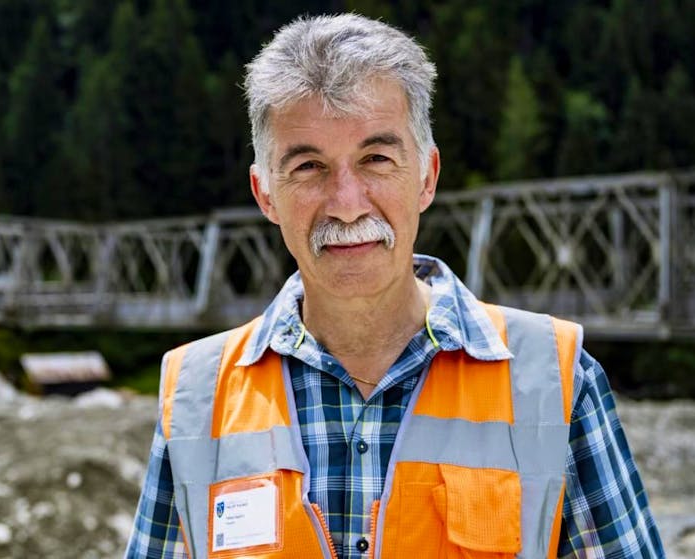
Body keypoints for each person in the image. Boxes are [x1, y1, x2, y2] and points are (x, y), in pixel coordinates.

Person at [125, 13, 664, 559]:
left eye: (376, 159)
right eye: (309, 167)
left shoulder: (555, 381)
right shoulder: (195, 399)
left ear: (427, 176)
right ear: (265, 194)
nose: (347, 204)